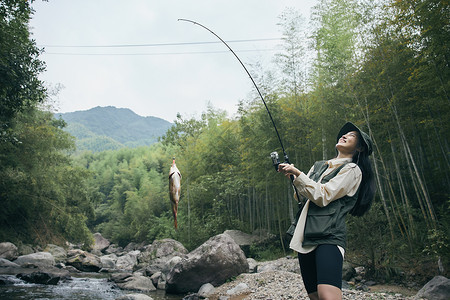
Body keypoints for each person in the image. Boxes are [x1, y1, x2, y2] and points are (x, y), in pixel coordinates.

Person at [278, 122, 376, 300]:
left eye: (351, 136)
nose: (344, 135)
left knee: (327, 295)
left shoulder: (352, 169)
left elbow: (323, 196)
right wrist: (294, 178)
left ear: (360, 148)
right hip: (305, 236)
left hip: (329, 237)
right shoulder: (319, 166)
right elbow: (302, 197)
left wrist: (298, 174)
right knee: (315, 296)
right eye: (344, 134)